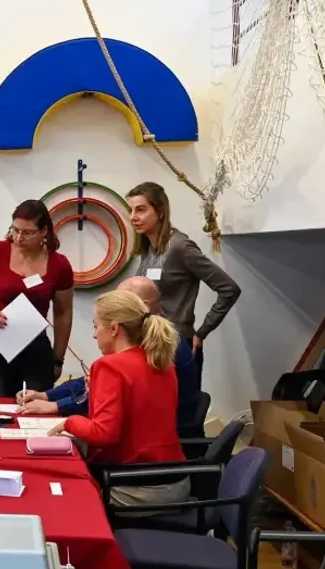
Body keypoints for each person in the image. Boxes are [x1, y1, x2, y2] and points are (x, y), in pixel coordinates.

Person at [51, 289, 187, 507]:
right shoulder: (163, 363)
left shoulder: (109, 366)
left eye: (96, 326)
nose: (94, 335)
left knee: (62, 498)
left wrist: (69, 422)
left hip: (136, 489)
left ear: (114, 328)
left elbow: (103, 434)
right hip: (175, 482)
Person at [18, 275, 200, 432]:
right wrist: (48, 396)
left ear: (142, 306)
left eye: (122, 300)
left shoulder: (161, 345)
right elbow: (97, 381)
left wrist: (58, 409)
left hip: (152, 445)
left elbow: (108, 415)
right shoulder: (149, 338)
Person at [126, 182, 240, 389]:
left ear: (160, 212)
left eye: (141, 210)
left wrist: (202, 331)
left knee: (184, 417)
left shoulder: (180, 247)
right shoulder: (148, 249)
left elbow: (228, 288)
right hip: (151, 343)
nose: (133, 217)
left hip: (177, 345)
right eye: (131, 210)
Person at [0, 200, 75, 398]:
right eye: (15, 230)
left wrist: (58, 359)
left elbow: (63, 312)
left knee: (33, 405)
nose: (19, 237)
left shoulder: (59, 264)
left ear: (44, 231)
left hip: (34, 348)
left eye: (27, 232)